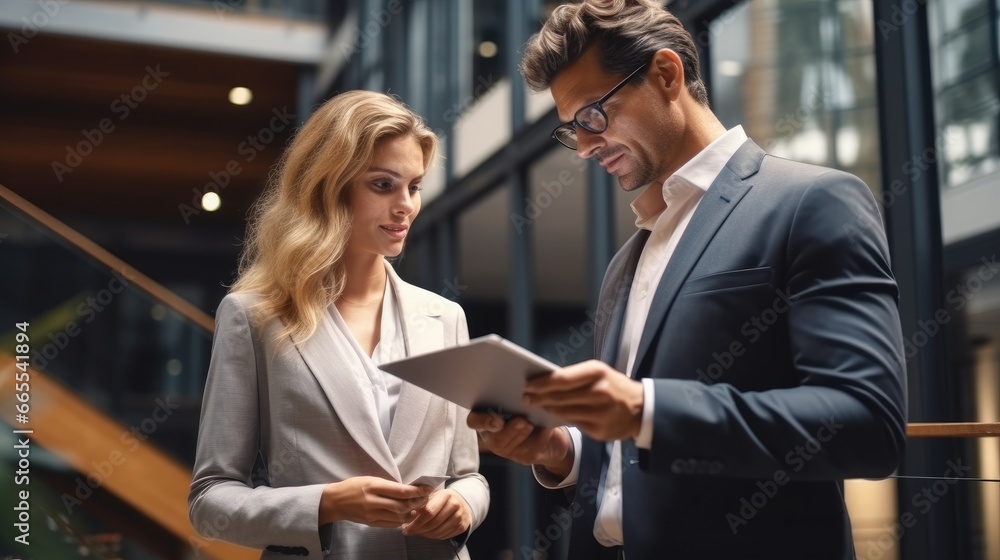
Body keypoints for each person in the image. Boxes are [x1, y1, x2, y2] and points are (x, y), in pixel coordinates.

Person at [468, 1, 906, 558]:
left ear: (666, 74)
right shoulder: (627, 260)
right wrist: (562, 450)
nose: (582, 146)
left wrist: (645, 409)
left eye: (592, 117)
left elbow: (867, 425)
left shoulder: (813, 203)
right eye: (569, 130)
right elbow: (632, 451)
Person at [190, 90, 489, 559]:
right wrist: (326, 503)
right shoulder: (253, 316)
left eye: (414, 186)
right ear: (329, 185)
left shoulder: (445, 317)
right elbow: (210, 501)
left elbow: (468, 474)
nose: (406, 205)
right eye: (383, 184)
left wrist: (464, 506)